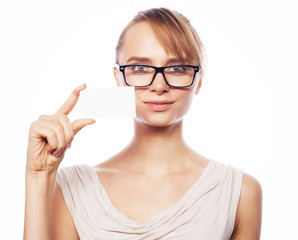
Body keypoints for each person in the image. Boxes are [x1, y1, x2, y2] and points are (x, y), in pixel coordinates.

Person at [24, 8, 262, 240]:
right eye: (140, 67)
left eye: (177, 68)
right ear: (118, 78)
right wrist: (38, 176)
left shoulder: (240, 192)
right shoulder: (72, 189)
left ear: (198, 80)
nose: (159, 86)